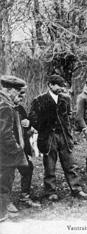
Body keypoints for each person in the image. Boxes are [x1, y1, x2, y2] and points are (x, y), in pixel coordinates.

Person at [29, 74, 87, 201]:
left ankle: (76, 189)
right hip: (48, 137)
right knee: (50, 166)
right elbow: (33, 118)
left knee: (70, 164)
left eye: (62, 86)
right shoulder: (39, 100)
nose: (61, 88)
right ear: (50, 85)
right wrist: (44, 128)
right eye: (59, 85)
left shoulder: (65, 99)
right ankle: (51, 192)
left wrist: (69, 134)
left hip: (64, 137)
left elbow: (68, 117)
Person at [0, 75, 29, 222]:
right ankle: (2, 216)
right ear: (9, 90)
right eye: (19, 93)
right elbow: (5, 135)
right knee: (4, 185)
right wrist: (17, 150)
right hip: (5, 156)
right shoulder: (5, 106)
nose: (21, 96)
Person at [10, 87, 41, 210]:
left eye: (23, 94)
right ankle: (5, 202)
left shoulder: (20, 109)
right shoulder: (3, 109)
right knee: (7, 175)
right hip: (7, 149)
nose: (22, 97)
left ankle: (25, 196)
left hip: (21, 148)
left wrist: (29, 125)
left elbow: (25, 131)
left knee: (27, 168)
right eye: (19, 94)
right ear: (11, 94)